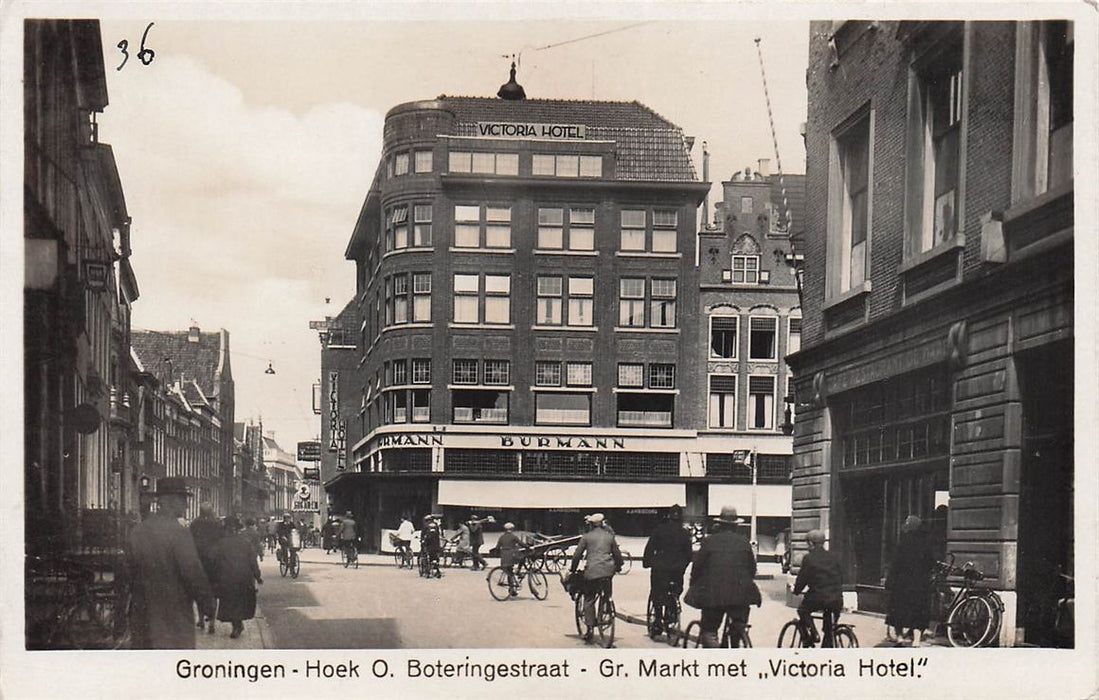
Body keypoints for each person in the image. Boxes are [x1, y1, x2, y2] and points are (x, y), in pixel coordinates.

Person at [127, 478, 215, 649]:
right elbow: (193, 572)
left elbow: (128, 570)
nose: (186, 506)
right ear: (170, 501)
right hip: (174, 617)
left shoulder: (137, 531)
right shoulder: (179, 533)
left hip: (142, 616)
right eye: (183, 500)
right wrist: (207, 603)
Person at [687, 506, 761, 648]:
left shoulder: (709, 541)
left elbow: (697, 567)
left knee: (709, 629)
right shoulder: (744, 542)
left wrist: (693, 584)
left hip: (714, 593)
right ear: (736, 525)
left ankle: (715, 656)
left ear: (720, 524)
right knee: (738, 623)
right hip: (741, 594)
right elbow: (752, 569)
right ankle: (736, 640)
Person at [569, 513, 623, 641]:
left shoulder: (586, 537)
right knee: (606, 594)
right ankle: (606, 608)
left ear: (591, 524)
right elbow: (617, 554)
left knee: (589, 599)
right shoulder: (609, 537)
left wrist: (573, 569)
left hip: (592, 572)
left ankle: (589, 629)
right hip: (608, 572)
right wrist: (619, 565)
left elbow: (577, 555)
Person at [642, 504, 693, 639]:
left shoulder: (659, 530)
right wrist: (683, 566)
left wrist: (647, 562)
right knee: (675, 590)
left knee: (657, 593)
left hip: (660, 568)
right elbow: (689, 554)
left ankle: (658, 621)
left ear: (669, 516)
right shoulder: (684, 533)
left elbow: (650, 548)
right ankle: (671, 612)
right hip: (677, 569)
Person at [885, 515, 936, 647]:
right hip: (920, 583)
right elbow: (931, 562)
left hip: (902, 583)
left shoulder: (902, 543)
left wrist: (889, 581)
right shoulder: (925, 543)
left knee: (899, 610)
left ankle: (900, 638)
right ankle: (916, 640)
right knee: (919, 611)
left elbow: (895, 564)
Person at [211, 516, 263, 638]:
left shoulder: (221, 543)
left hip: (228, 577)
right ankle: (237, 625)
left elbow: (214, 561)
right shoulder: (245, 542)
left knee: (230, 603)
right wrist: (257, 576)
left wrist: (215, 577)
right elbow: (252, 561)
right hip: (243, 577)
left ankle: (236, 626)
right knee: (239, 602)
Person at [792, 528, 845, 647]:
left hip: (818, 598)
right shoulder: (834, 557)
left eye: (807, 544)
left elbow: (802, 579)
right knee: (829, 629)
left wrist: (796, 591)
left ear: (811, 543)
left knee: (803, 610)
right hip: (836, 598)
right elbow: (841, 576)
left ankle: (814, 634)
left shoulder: (809, 558)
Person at [189, 502, 223, 634]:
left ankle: (202, 619)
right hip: (214, 563)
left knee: (199, 592)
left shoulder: (195, 524)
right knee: (214, 594)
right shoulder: (217, 524)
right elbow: (221, 542)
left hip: (198, 562)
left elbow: (190, 541)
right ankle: (212, 623)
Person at [495, 522, 525, 596]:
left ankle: (512, 589)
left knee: (509, 571)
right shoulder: (513, 536)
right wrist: (528, 547)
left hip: (504, 556)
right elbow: (521, 543)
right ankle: (518, 571)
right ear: (512, 529)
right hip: (511, 555)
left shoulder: (501, 537)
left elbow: (497, 547)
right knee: (522, 558)